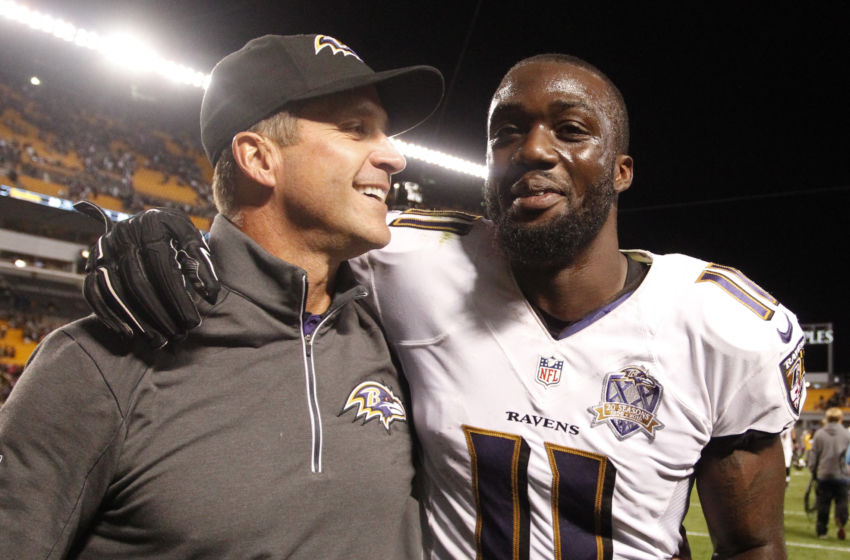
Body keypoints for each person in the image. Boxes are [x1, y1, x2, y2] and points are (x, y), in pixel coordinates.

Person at [75, 54, 805, 559]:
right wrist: (146, 232)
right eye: (506, 132)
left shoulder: (721, 325)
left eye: (571, 130)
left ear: (621, 170)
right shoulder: (409, 261)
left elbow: (751, 543)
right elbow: (273, 243)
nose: (533, 150)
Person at [0, 34, 443, 558]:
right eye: (355, 129)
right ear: (259, 158)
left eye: (385, 133)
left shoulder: (403, 334)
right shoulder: (102, 363)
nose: (394, 157)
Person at [809, 407, 850, 539]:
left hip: (824, 473)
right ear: (840, 418)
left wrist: (813, 470)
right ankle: (841, 519)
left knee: (823, 504)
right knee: (842, 501)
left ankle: (822, 531)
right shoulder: (846, 434)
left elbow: (813, 455)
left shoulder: (819, 434)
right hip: (842, 474)